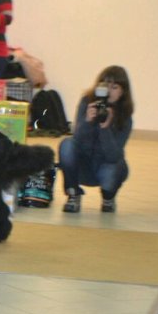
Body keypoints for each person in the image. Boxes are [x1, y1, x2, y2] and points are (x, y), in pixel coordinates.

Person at [58, 65, 135, 213]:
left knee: (117, 166)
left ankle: (108, 197)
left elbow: (113, 156)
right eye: (106, 86)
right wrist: (87, 121)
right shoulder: (87, 102)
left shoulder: (125, 116)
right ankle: (73, 194)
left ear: (123, 91)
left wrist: (105, 127)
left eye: (115, 87)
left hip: (105, 166)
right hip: (83, 165)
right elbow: (77, 140)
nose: (109, 91)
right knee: (67, 145)